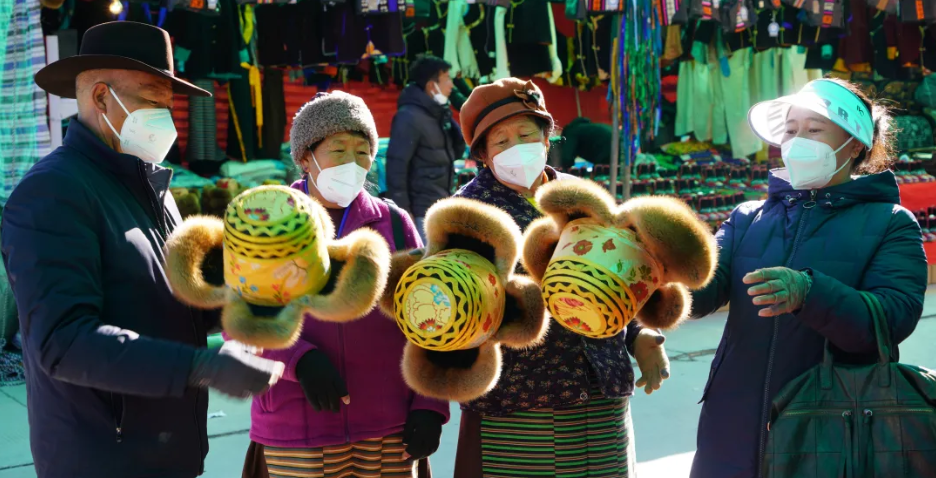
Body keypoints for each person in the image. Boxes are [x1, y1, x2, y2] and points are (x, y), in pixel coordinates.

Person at [0, 22, 284, 478]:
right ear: (101, 98)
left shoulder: (150, 184)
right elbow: (63, 342)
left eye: (169, 106)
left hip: (169, 453)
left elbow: (171, 301)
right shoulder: (53, 193)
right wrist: (202, 366)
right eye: (153, 102)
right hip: (103, 459)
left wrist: (250, 296)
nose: (165, 119)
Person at [689, 78, 928, 477]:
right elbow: (700, 292)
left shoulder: (890, 223)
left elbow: (891, 319)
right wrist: (655, 278)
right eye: (791, 130)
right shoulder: (747, 217)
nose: (798, 141)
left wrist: (809, 292)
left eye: (814, 130)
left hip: (830, 427)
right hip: (730, 421)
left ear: (855, 145)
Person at [452, 78, 672, 478]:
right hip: (520, 404)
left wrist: (639, 333)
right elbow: (453, 310)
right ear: (482, 154)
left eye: (526, 134)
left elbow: (624, 273)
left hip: (601, 389)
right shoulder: (464, 213)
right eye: (501, 141)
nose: (517, 147)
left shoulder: (580, 196)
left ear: (546, 137)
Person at [243, 91, 450, 478]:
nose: (352, 164)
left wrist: (430, 405)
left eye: (362, 152)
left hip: (390, 428)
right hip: (298, 425)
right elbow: (240, 318)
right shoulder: (266, 221)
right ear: (306, 158)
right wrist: (299, 360)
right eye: (338, 150)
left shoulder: (395, 223)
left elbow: (429, 319)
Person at [386, 55, 466, 241]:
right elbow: (396, 166)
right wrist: (403, 211)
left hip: (440, 204)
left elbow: (455, 152)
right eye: (447, 79)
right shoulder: (409, 117)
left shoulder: (436, 113)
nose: (451, 86)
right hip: (421, 212)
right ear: (432, 86)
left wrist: (446, 116)